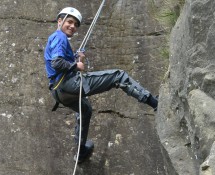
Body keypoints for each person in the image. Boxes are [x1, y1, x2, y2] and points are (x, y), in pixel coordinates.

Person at [44, 7, 158, 163]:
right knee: (118, 76)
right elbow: (57, 63)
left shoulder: (56, 39)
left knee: (85, 110)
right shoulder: (59, 37)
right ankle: (154, 102)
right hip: (67, 84)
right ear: (60, 21)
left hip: (59, 92)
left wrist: (78, 60)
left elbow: (60, 63)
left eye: (76, 24)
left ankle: (81, 150)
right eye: (69, 22)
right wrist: (75, 66)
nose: (73, 26)